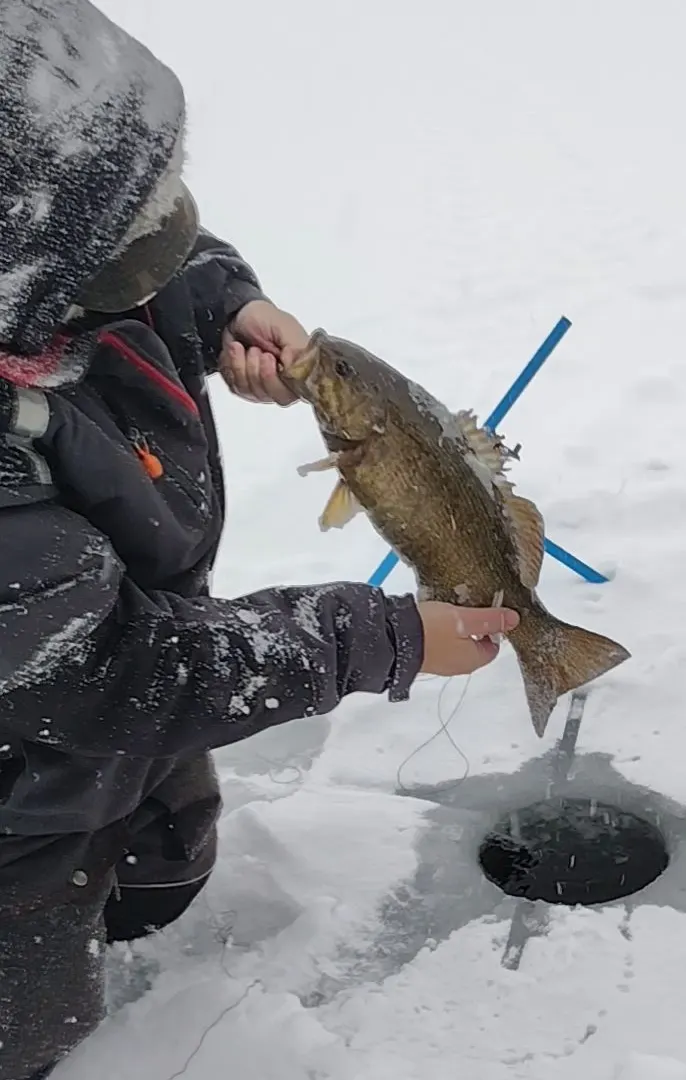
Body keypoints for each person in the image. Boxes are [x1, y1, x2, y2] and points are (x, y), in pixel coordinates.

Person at [0, 3, 520, 1078]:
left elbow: (155, 254)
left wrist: (227, 298)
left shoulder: (63, 266)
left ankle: (138, 909)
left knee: (164, 863)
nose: (165, 250)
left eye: (163, 207)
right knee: (27, 1013)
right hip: (25, 786)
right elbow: (120, 675)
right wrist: (378, 639)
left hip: (138, 680)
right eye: (130, 255)